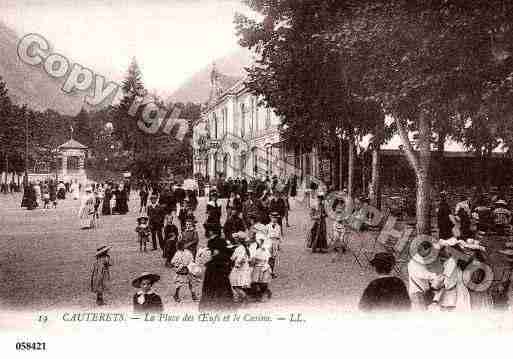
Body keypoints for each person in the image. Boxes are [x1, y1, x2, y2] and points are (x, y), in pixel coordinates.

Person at [199, 224, 234, 311]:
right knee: (223, 287)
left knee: (211, 287)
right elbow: (228, 253)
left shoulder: (211, 242)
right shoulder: (223, 241)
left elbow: (212, 256)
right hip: (222, 268)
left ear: (211, 231)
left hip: (213, 268)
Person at [407, 240, 444, 311]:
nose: (429, 253)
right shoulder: (415, 261)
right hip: (417, 293)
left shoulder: (419, 259)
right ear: (424, 249)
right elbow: (421, 274)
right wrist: (434, 276)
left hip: (421, 292)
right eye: (429, 251)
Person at [229, 232, 252, 304]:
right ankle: (241, 299)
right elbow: (233, 258)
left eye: (236, 238)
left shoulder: (240, 248)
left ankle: (245, 299)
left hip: (240, 269)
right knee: (237, 284)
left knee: (235, 284)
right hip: (241, 268)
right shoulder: (241, 247)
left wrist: (237, 264)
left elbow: (240, 258)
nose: (235, 240)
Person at [266, 212, 282, 277]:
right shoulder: (267, 226)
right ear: (270, 218)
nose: (274, 219)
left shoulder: (278, 226)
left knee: (273, 258)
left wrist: (278, 245)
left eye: (276, 218)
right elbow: (265, 236)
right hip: (268, 242)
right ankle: (267, 271)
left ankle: (272, 271)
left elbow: (280, 236)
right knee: (268, 257)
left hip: (275, 242)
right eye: (273, 218)